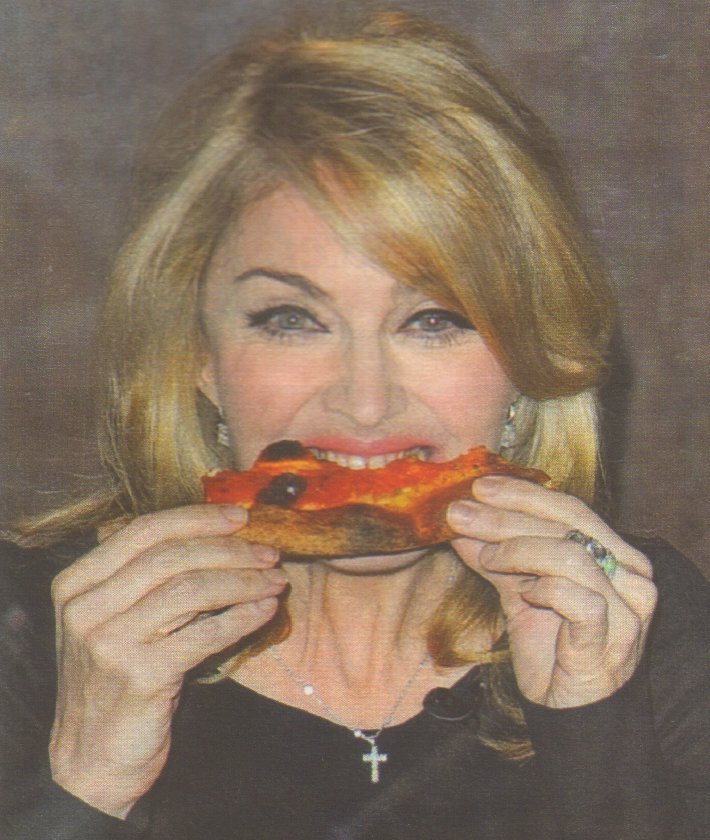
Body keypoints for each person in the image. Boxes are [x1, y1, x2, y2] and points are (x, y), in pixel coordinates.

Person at [1, 7, 708, 839]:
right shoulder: (32, 633)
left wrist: (594, 736)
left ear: (526, 356)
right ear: (199, 354)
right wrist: (83, 783)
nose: (365, 402)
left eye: (435, 319)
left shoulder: (644, 624)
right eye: (291, 320)